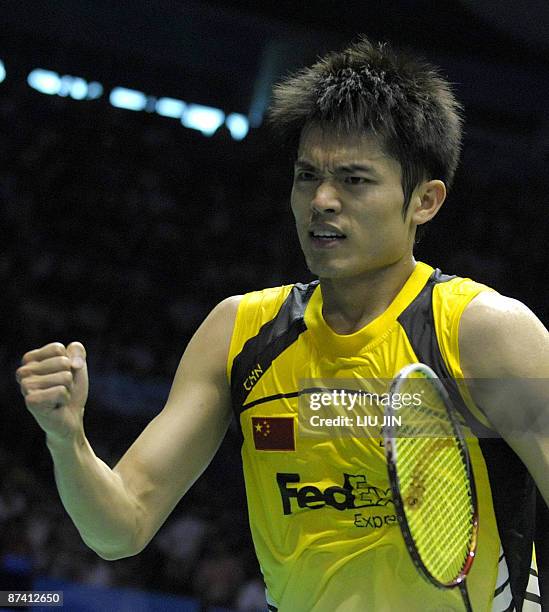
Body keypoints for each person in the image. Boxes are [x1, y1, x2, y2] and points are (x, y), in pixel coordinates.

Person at [15, 36, 548, 611]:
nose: (321, 200)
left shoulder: (484, 334)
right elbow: (121, 527)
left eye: (354, 180)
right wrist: (67, 442)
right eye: (306, 176)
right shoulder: (240, 333)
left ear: (425, 200)